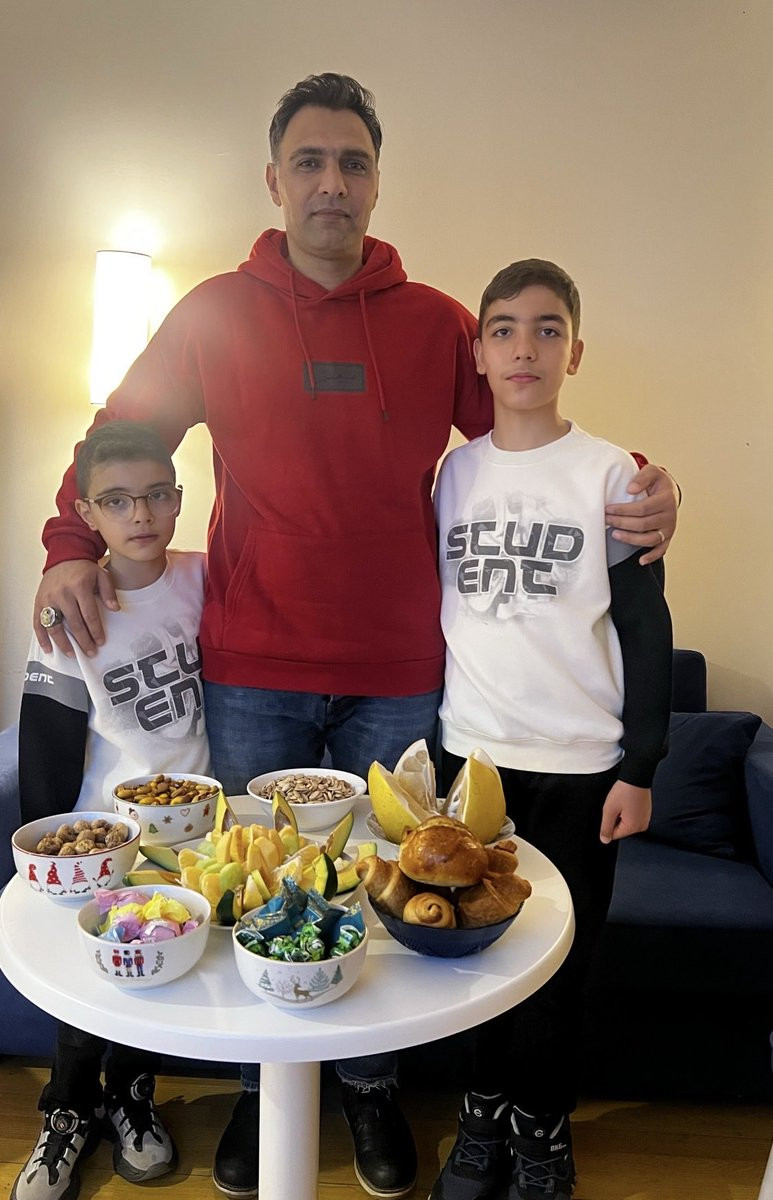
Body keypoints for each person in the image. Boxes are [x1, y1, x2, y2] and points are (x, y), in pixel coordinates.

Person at [30, 75, 679, 1200]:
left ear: (377, 182)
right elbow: (115, 435)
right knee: (257, 887)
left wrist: (641, 491)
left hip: (397, 676)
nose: (332, 182)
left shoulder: (435, 323)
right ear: (274, 180)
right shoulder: (211, 314)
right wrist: (66, 543)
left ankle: (370, 1087)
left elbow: (524, 442)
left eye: (354, 163)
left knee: (376, 896)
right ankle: (263, 1087)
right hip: (253, 669)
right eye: (310, 161)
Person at [429, 259, 673, 1200]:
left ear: (574, 352)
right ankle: (480, 1120)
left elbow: (645, 630)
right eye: (501, 329)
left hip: (579, 769)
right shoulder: (451, 474)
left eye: (545, 329)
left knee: (559, 970)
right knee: (475, 960)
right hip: (469, 762)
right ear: (477, 353)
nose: (522, 347)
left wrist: (640, 765)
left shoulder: (612, 473)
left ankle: (541, 1132)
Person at [13, 422, 208, 1200]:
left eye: (157, 494)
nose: (142, 514)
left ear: (178, 499)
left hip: (192, 830)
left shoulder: (205, 577)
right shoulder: (70, 605)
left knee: (146, 963)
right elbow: (48, 734)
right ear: (86, 513)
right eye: (118, 500)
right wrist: (45, 846)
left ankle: (131, 1096)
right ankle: (67, 1109)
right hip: (107, 834)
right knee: (91, 973)